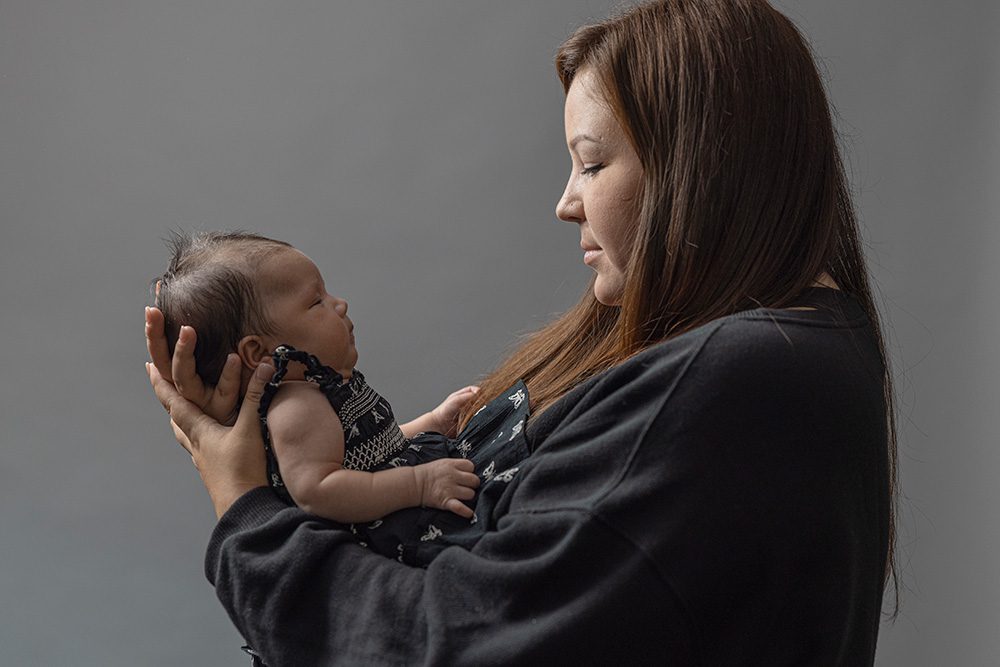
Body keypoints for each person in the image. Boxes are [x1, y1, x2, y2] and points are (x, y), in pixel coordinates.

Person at [145, 0, 899, 663]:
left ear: (702, 166)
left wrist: (246, 511)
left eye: (592, 163)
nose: (567, 203)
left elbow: (462, 642)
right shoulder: (745, 352)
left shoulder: (749, 377)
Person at [151, 231, 532, 566]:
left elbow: (368, 455)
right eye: (316, 302)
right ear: (259, 352)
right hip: (383, 537)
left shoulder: (321, 389)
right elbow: (320, 490)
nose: (340, 304)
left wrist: (432, 421)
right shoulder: (295, 408)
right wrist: (419, 483)